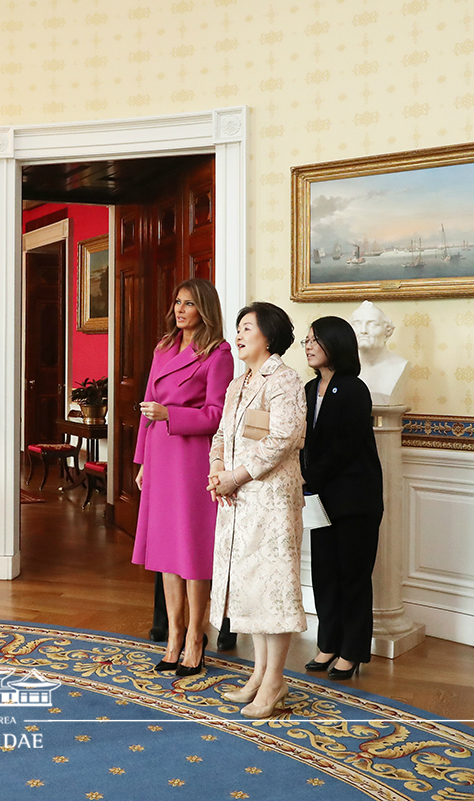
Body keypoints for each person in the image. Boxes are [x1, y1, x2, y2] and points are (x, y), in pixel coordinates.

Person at [208, 301, 306, 718]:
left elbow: (283, 437)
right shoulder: (237, 383)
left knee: (272, 588)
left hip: (270, 500)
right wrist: (217, 470)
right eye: (238, 327)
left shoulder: (284, 380)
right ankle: (260, 674)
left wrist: (238, 475)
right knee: (249, 588)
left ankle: (275, 681)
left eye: (248, 327)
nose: (240, 334)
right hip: (237, 499)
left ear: (269, 334)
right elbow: (220, 434)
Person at [132, 278, 232, 675]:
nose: (180, 309)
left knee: (190, 552)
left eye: (188, 303)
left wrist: (171, 414)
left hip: (191, 459)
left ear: (203, 309)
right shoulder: (163, 348)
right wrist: (141, 461)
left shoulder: (218, 353)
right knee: (165, 554)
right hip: (159, 455)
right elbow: (146, 406)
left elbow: (217, 415)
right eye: (177, 301)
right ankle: (173, 636)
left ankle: (195, 637)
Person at [301, 316, 383, 680]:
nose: (307, 345)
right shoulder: (306, 389)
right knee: (324, 574)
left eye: (315, 339)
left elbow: (344, 448)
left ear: (335, 343)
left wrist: (307, 475)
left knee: (353, 576)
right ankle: (327, 644)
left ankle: (352, 651)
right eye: (306, 340)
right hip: (319, 500)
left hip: (354, 500)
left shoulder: (354, 389)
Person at [348, 300, 408, 404]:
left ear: (387, 331)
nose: (363, 330)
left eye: (372, 324)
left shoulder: (400, 366)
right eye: (357, 324)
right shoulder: (345, 368)